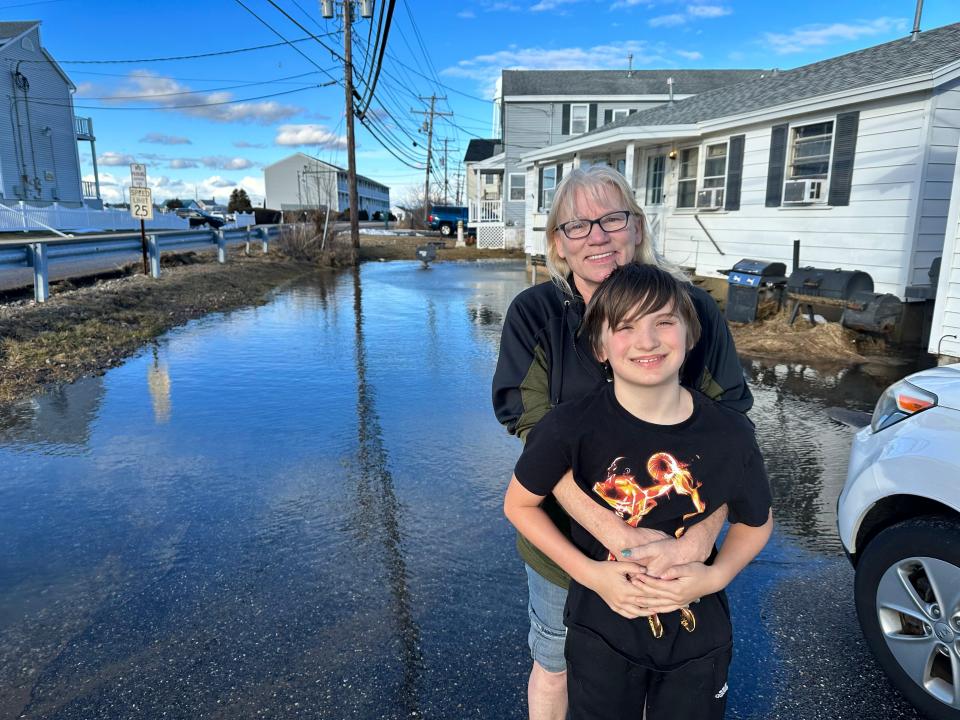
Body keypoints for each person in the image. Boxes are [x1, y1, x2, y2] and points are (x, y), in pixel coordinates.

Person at [491, 165, 753, 720]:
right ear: (558, 245)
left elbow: (732, 432)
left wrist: (694, 545)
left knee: (665, 676)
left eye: (613, 218)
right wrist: (615, 538)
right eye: (577, 225)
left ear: (637, 227)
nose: (598, 236)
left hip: (673, 553)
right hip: (568, 554)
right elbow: (535, 434)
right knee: (560, 663)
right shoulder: (535, 315)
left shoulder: (693, 309)